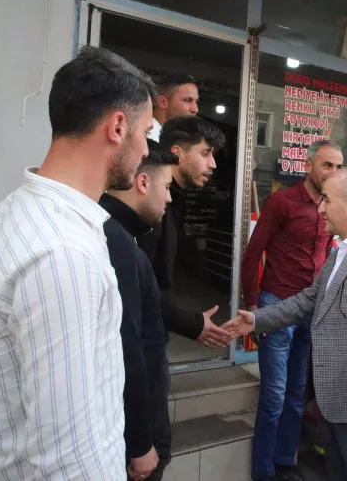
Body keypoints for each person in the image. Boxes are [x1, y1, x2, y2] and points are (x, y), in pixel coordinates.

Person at [0, 46, 156, 479]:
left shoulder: (16, 212)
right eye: (145, 132)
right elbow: (69, 460)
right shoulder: (64, 254)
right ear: (118, 126)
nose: (145, 150)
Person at [224, 168, 347, 481]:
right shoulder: (341, 251)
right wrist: (257, 319)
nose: (320, 208)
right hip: (335, 404)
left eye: (326, 200)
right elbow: (308, 301)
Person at [240, 140, 344, 481]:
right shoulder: (281, 202)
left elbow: (328, 257)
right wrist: (254, 308)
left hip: (310, 309)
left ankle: (286, 462)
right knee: (274, 394)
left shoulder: (332, 208)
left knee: (297, 391)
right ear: (309, 165)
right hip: (277, 304)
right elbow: (253, 253)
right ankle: (263, 471)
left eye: (339, 167)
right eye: (327, 165)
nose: (333, 173)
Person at [100, 143, 179, 481]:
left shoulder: (125, 235)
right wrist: (141, 442)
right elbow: (128, 349)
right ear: (143, 183)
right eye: (167, 188)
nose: (170, 199)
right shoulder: (117, 245)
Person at [141, 115, 231, 347]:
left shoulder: (176, 200)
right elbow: (142, 284)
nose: (213, 164)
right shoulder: (151, 206)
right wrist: (191, 323)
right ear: (177, 152)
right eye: (205, 153)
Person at [148, 73, 199, 142]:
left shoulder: (169, 139)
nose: (195, 109)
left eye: (196, 102)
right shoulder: (146, 138)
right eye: (188, 100)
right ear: (162, 102)